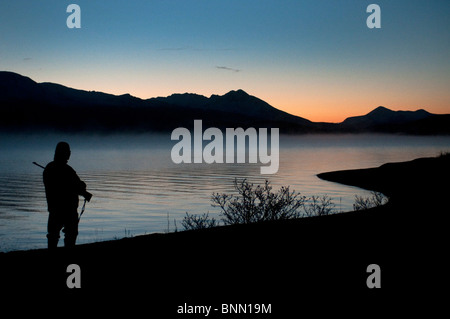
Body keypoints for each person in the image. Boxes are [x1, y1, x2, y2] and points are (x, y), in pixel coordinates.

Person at [43, 142, 92, 249]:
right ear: (65, 153)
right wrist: (82, 187)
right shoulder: (67, 170)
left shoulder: (49, 168)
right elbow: (78, 185)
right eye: (68, 152)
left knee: (53, 236)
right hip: (67, 209)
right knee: (69, 235)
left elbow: (76, 186)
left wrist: (79, 187)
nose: (69, 154)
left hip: (54, 209)